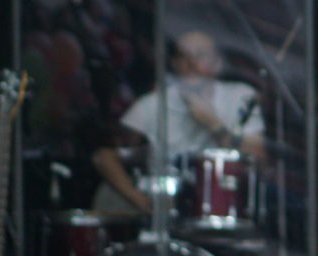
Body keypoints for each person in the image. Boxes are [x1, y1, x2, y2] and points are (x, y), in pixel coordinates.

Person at [91, 31, 266, 214]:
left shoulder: (240, 97)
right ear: (174, 64)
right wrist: (140, 200)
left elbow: (258, 159)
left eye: (200, 55)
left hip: (225, 206)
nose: (191, 64)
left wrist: (212, 123)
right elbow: (105, 156)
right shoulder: (152, 104)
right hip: (166, 209)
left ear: (218, 63)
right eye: (184, 56)